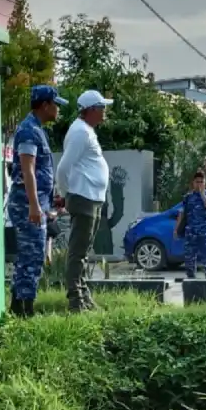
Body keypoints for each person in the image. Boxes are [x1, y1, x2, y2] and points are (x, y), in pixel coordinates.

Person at [7, 84, 66, 317]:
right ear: (45, 105)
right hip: (27, 204)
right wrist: (34, 204)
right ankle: (25, 311)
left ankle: (18, 308)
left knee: (29, 256)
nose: (58, 110)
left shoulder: (35, 128)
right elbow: (27, 168)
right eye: (56, 105)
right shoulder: (29, 130)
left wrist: (50, 199)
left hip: (36, 202)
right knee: (32, 257)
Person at [57, 89, 113, 312]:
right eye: (102, 108)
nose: (105, 112)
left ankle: (82, 294)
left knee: (83, 251)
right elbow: (63, 168)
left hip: (91, 198)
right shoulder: (80, 132)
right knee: (78, 252)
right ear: (91, 110)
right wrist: (65, 194)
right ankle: (75, 300)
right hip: (83, 198)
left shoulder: (86, 130)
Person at [175, 170, 206, 278]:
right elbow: (182, 213)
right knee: (189, 260)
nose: (199, 184)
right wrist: (176, 229)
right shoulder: (188, 198)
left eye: (201, 182)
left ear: (205, 183)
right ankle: (191, 282)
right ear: (193, 183)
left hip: (204, 233)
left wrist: (202, 194)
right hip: (191, 233)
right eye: (197, 182)